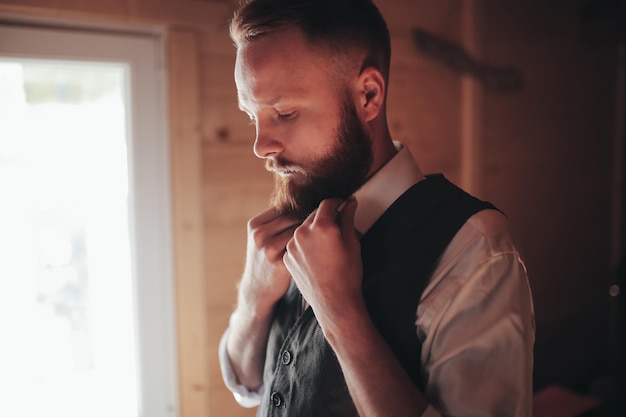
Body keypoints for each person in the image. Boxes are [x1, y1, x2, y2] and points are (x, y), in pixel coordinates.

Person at [218, 0, 535, 416]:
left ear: (368, 95)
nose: (261, 146)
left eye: (285, 113)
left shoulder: (476, 251)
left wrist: (340, 311)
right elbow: (249, 385)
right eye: (251, 117)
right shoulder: (297, 212)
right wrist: (253, 297)